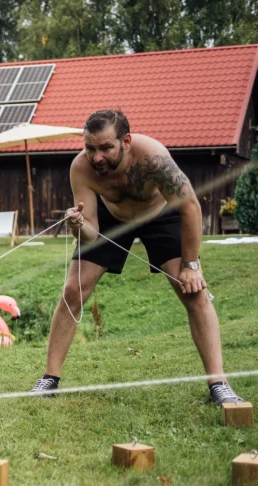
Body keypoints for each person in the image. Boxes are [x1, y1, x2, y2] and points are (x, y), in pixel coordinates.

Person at [32, 109, 245, 406]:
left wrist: (191, 265)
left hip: (160, 214)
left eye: (106, 147)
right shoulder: (81, 168)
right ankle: (48, 380)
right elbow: (91, 232)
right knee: (72, 289)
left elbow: (191, 207)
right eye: (90, 148)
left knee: (195, 292)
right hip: (110, 219)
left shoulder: (152, 158)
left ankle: (218, 384)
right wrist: (78, 226)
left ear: (126, 141)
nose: (97, 157)